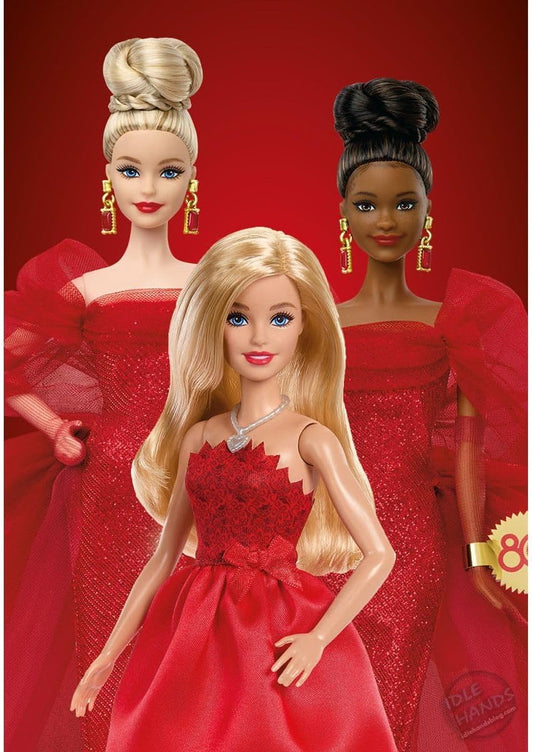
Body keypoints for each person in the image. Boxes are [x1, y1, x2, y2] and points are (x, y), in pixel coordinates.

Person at [70, 227, 398, 752]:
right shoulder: (198, 435)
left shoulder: (312, 438)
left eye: (280, 319)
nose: (259, 337)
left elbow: (380, 554)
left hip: (281, 623)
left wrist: (319, 637)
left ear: (305, 327)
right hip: (196, 626)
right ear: (213, 324)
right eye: (238, 318)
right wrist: (107, 657)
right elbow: (163, 557)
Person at [5, 36, 203, 752]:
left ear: (191, 180)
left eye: (169, 171)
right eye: (130, 169)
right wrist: (55, 427)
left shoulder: (211, 283)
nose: (149, 187)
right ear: (108, 178)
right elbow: (10, 367)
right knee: (109, 647)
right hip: (110, 489)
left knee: (196, 648)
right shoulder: (86, 289)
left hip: (199, 481)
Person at [325, 78, 527, 752]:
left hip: (410, 543)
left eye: (403, 204)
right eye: (367, 205)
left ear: (427, 212)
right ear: (344, 213)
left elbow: (468, 449)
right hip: (319, 538)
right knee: (318, 700)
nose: (385, 221)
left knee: (391, 697)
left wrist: (478, 559)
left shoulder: (455, 323)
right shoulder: (316, 323)